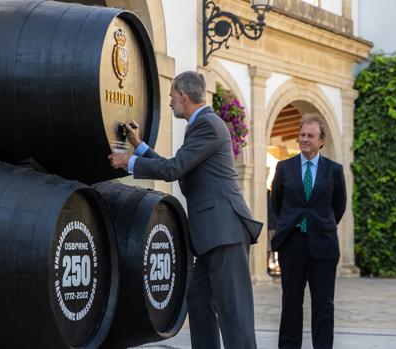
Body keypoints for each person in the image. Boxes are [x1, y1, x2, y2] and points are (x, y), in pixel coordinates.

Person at [109, 71, 262, 349]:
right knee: (199, 301)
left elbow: (174, 169)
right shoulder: (201, 125)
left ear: (183, 95)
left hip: (224, 230)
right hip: (209, 236)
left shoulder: (208, 124)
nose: (169, 102)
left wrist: (129, 161)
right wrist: (139, 146)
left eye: (171, 96)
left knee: (234, 315)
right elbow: (178, 166)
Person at [271, 115, 347, 349]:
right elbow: (277, 203)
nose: (304, 139)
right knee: (291, 302)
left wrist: (321, 225)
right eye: (302, 135)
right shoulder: (284, 168)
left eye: (310, 136)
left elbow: (339, 206)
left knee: (323, 304)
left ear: (321, 141)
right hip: (292, 244)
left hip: (323, 246)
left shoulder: (334, 170)